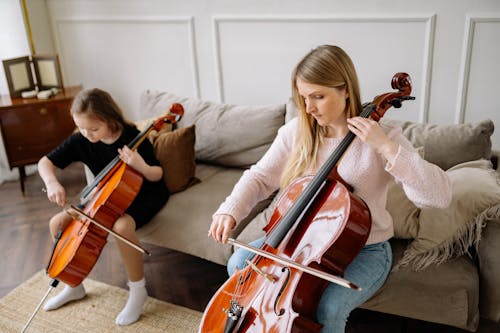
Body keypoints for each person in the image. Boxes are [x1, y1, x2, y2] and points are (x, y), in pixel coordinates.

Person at [207, 45, 452, 332]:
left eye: (318, 97)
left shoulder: (382, 137)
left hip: (364, 249)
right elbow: (260, 177)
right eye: (303, 98)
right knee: (240, 263)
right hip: (296, 242)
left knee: (328, 308)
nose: (308, 108)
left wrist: (386, 147)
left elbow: (439, 197)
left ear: (346, 89)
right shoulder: (297, 132)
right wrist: (229, 211)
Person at [38, 88, 169, 326]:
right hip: (107, 195)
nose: (87, 134)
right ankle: (73, 285)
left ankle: (138, 291)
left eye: (94, 129)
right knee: (57, 223)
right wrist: (52, 182)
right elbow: (45, 162)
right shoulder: (82, 138)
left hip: (144, 193)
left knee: (121, 226)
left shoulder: (133, 137)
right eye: (82, 127)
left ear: (109, 119)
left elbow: (157, 175)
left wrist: (140, 165)